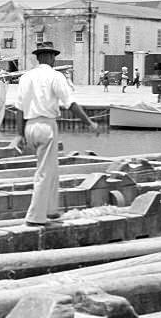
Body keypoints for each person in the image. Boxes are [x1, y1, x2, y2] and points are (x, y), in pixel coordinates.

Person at [12, 40, 101, 225]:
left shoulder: (26, 77)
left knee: (51, 169)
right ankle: (35, 217)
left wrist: (19, 134)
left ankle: (52, 210)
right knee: (45, 172)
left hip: (29, 126)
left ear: (38, 58)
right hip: (46, 125)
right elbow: (71, 103)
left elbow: (19, 109)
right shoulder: (55, 76)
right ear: (51, 57)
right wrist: (89, 122)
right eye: (53, 57)